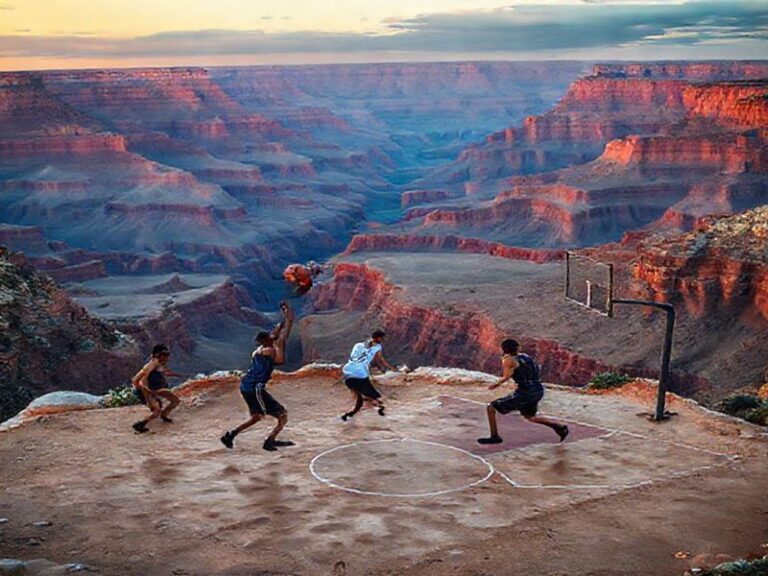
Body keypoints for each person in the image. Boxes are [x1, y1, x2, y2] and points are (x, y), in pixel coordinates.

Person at [220, 301, 295, 451]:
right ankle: (269, 442)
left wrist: (286, 319)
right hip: (255, 388)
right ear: (266, 340)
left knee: (257, 417)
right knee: (280, 414)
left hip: (247, 386)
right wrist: (281, 340)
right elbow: (280, 359)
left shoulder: (260, 350)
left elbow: (277, 332)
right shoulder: (267, 351)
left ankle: (231, 436)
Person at [478, 339, 569, 445]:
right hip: (538, 389)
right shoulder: (526, 357)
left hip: (525, 392)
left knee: (491, 407)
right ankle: (560, 427)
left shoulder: (509, 360)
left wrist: (496, 384)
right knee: (530, 416)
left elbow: (506, 376)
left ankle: (495, 436)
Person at [340, 329, 400, 421]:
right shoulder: (377, 347)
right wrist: (393, 369)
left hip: (348, 374)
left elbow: (354, 357)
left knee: (359, 397)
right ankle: (381, 410)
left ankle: (348, 415)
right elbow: (381, 360)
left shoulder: (358, 345)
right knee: (377, 397)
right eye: (381, 338)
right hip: (360, 375)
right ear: (378, 338)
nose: (382, 340)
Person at [131, 344, 182, 433]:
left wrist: (175, 374)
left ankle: (164, 414)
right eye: (166, 357)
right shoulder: (152, 365)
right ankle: (140, 425)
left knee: (175, 400)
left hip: (156, 388)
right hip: (148, 390)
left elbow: (163, 372)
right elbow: (143, 380)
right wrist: (149, 393)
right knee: (156, 411)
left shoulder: (159, 364)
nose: (168, 359)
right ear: (161, 356)